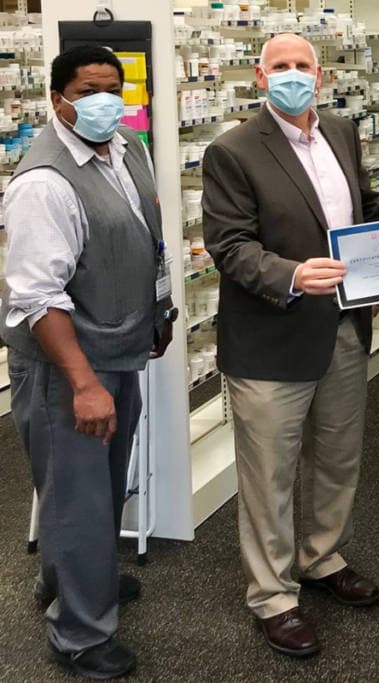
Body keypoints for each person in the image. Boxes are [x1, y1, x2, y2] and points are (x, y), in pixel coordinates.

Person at [202, 33, 379, 657]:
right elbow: (229, 246)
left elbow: (365, 204)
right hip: (272, 336)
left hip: (342, 328)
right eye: (280, 66)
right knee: (270, 474)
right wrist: (291, 274)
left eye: (303, 66)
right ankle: (273, 595)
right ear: (260, 76)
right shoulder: (233, 151)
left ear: (321, 75)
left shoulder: (341, 132)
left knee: (338, 458)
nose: (293, 75)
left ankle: (322, 556)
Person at [0, 45, 174, 679]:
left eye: (113, 88)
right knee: (76, 496)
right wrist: (82, 384)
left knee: (97, 487)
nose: (105, 100)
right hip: (65, 367)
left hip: (116, 348)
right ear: (57, 99)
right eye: (88, 89)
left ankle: (78, 579)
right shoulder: (42, 184)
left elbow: (142, 239)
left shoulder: (129, 150)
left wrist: (160, 314)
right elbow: (36, 297)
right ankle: (79, 634)